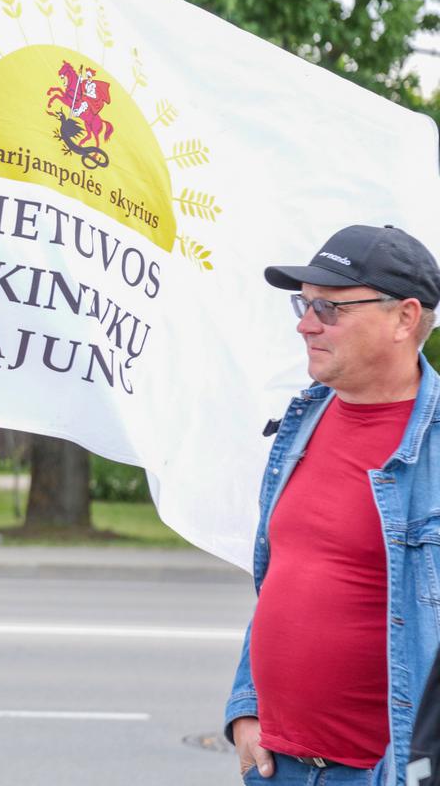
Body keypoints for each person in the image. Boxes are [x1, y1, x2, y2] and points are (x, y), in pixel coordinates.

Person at [224, 224, 440, 785]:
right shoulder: (302, 421)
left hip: (386, 772)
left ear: (405, 317)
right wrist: (246, 708)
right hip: (279, 766)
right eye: (304, 303)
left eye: (329, 308)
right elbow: (279, 578)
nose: (305, 323)